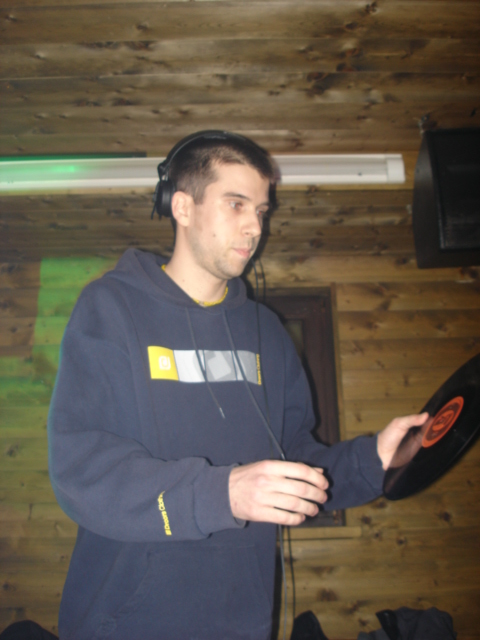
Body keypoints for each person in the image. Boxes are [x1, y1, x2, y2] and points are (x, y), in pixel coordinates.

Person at [48, 131, 428, 640]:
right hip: (126, 623)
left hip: (242, 622)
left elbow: (295, 461)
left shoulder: (266, 333)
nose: (255, 227)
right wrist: (220, 493)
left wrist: (374, 459)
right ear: (182, 206)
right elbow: (82, 470)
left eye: (262, 211)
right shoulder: (111, 308)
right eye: (236, 204)